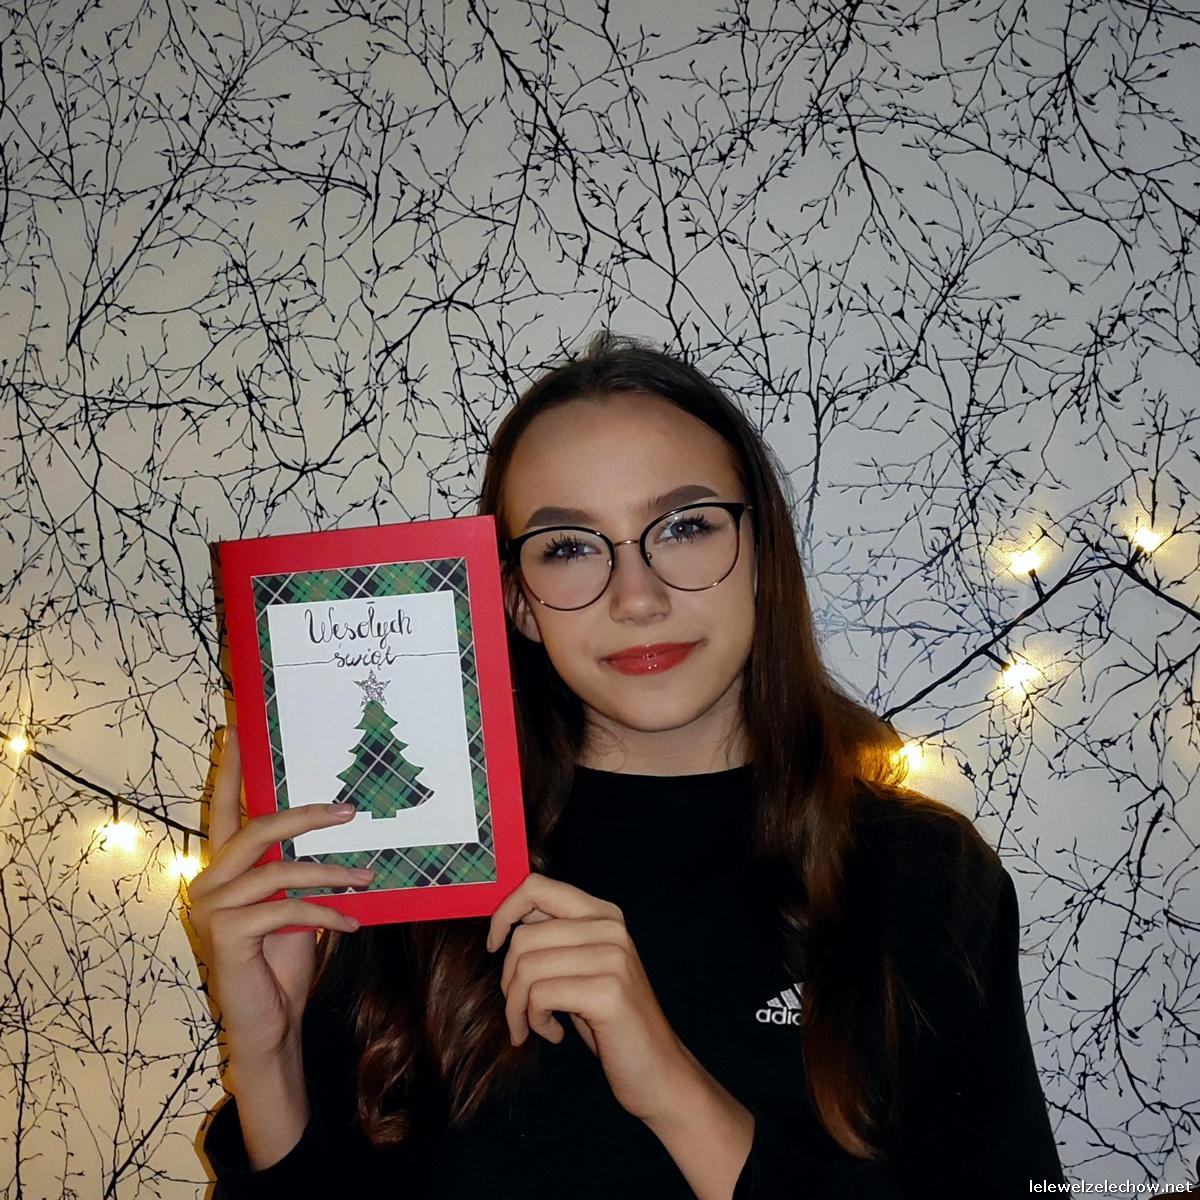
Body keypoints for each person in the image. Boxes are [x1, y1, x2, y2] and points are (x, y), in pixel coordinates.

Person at [189, 330, 1066, 1199]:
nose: (637, 598)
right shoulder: (421, 863)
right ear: (517, 602)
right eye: (569, 547)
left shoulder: (923, 874)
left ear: (763, 555)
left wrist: (675, 1094)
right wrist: (268, 1055)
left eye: (684, 527)